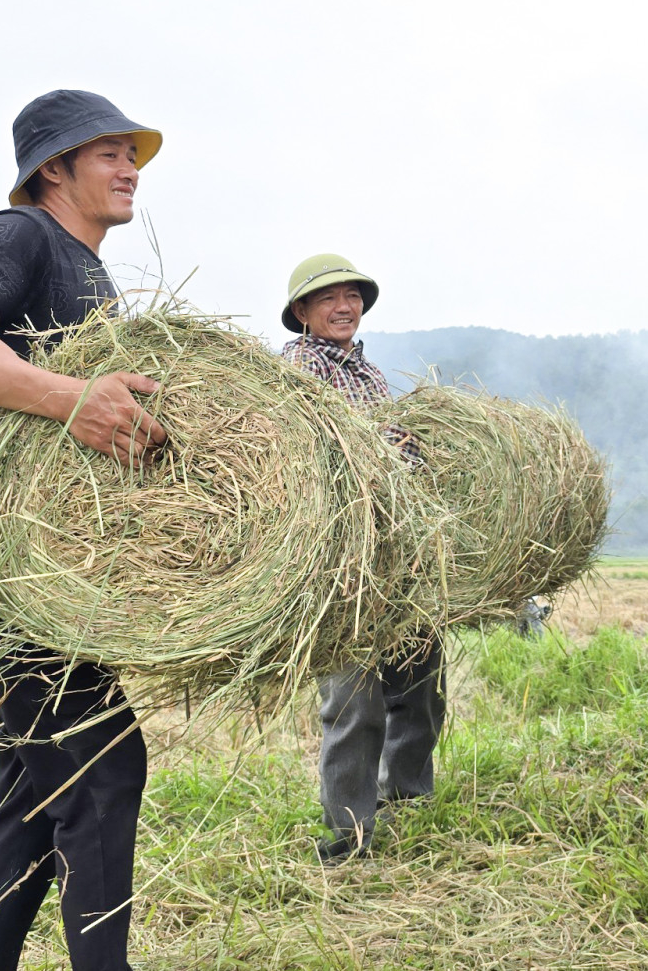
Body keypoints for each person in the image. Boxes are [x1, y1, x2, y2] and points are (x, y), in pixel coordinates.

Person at [0, 89, 167, 971]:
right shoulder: (20, 237)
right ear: (53, 168)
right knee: (103, 759)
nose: (131, 169)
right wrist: (72, 397)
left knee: (33, 787)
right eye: (108, 154)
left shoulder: (95, 277)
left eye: (134, 154)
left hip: (54, 578)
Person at [279, 253, 444, 863]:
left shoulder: (369, 372)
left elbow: (398, 451)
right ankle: (349, 832)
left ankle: (408, 799)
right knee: (354, 699)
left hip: (398, 552)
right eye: (328, 299)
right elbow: (317, 450)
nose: (344, 306)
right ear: (303, 313)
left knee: (421, 685)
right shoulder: (296, 368)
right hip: (341, 560)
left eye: (352, 296)